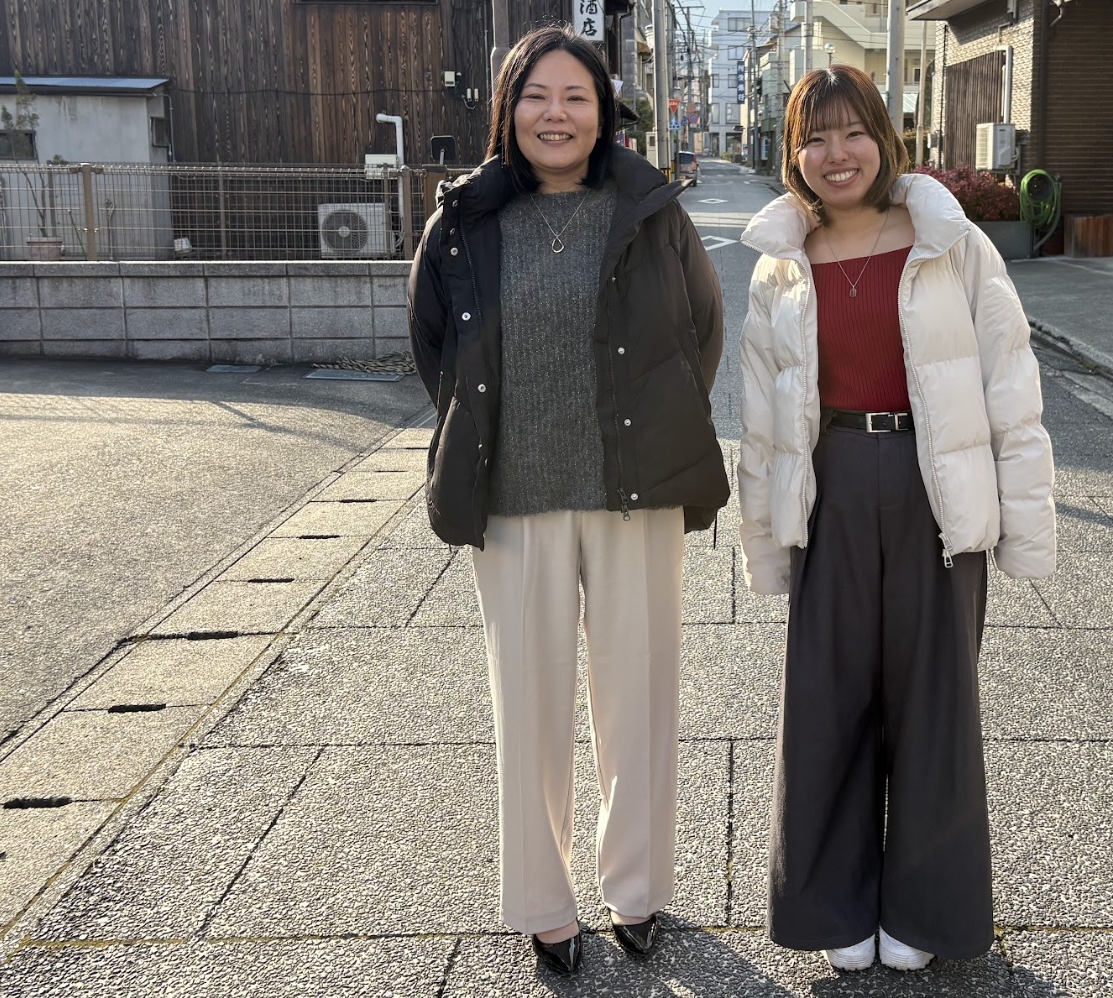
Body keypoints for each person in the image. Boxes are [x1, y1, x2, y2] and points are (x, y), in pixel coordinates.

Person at [407, 25, 728, 976]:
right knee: (529, 708)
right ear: (508, 109)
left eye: (576, 97)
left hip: (639, 497)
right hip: (513, 501)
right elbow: (435, 346)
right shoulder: (465, 219)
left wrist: (653, 429)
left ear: (603, 112)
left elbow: (702, 331)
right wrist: (492, 432)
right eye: (537, 96)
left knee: (640, 701)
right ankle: (544, 906)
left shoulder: (649, 209)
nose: (557, 114)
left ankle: (637, 889)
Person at [737, 65, 1056, 973]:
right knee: (826, 700)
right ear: (794, 153)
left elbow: (1010, 382)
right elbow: (760, 414)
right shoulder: (781, 262)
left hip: (935, 484)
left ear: (884, 137)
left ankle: (928, 908)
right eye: (815, 137)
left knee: (935, 702)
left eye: (853, 132)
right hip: (830, 482)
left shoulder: (951, 242)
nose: (836, 154)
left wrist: (1026, 522)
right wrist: (765, 537)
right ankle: (831, 904)